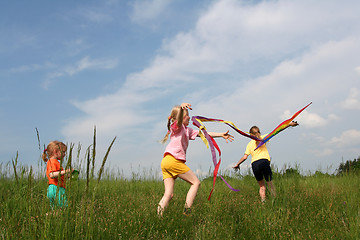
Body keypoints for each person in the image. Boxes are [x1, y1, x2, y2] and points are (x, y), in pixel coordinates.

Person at [158, 103, 234, 216]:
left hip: (166, 161)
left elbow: (205, 134)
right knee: (196, 183)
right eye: (187, 115)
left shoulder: (187, 130)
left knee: (169, 194)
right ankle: (186, 212)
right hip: (174, 160)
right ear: (180, 117)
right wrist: (181, 108)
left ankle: (159, 217)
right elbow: (177, 121)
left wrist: (221, 134)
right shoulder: (177, 127)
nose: (189, 117)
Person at [233, 122, 298, 202]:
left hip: (255, 165)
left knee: (262, 187)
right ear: (259, 132)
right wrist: (289, 124)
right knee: (270, 185)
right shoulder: (263, 138)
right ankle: (274, 202)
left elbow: (245, 157)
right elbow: (277, 131)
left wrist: (237, 164)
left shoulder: (249, 144)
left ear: (250, 134)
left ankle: (263, 202)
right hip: (264, 162)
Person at [42, 141, 73, 209]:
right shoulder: (52, 162)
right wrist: (66, 171)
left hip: (53, 188)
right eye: (63, 152)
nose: (64, 154)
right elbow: (52, 175)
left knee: (55, 210)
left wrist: (68, 175)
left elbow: (58, 175)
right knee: (63, 209)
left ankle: (45, 217)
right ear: (55, 152)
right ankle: (45, 216)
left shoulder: (55, 162)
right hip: (56, 188)